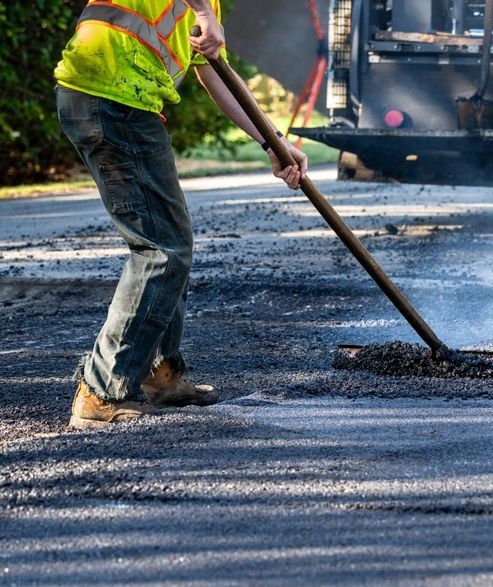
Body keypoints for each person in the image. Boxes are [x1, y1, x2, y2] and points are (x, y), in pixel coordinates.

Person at [54, 0, 308, 428]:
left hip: (124, 103)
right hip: (109, 101)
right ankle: (102, 391)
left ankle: (158, 374)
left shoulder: (204, 5)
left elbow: (215, 75)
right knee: (161, 249)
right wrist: (205, 16)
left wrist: (274, 142)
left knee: (171, 240)